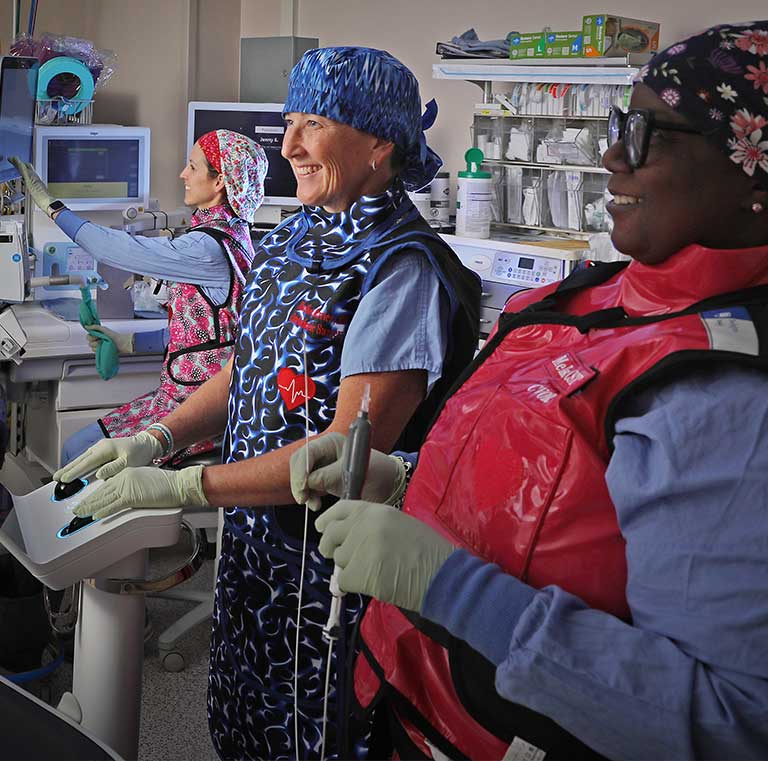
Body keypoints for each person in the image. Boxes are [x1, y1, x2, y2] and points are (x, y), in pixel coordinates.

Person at [291, 21, 768, 761]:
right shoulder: (600, 299)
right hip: (409, 702)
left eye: (648, 134)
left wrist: (451, 588)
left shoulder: (726, 397)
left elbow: (729, 725)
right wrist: (409, 481)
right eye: (617, 125)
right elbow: (553, 486)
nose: (611, 154)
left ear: (753, 170)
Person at [56, 47, 481, 759]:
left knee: (310, 736)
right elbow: (249, 368)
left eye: (312, 124)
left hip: (329, 574)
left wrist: (189, 483)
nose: (287, 146)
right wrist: (159, 439)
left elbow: (349, 456)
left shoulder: (401, 270)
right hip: (252, 547)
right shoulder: (289, 240)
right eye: (288, 123)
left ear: (380, 141)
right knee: (239, 719)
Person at [10, 129, 268, 466]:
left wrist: (51, 206)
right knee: (79, 448)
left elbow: (112, 248)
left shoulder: (206, 248)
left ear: (219, 182)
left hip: (195, 415)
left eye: (192, 167)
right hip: (192, 401)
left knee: (76, 453)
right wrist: (130, 343)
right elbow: (208, 332)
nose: (183, 175)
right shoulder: (235, 236)